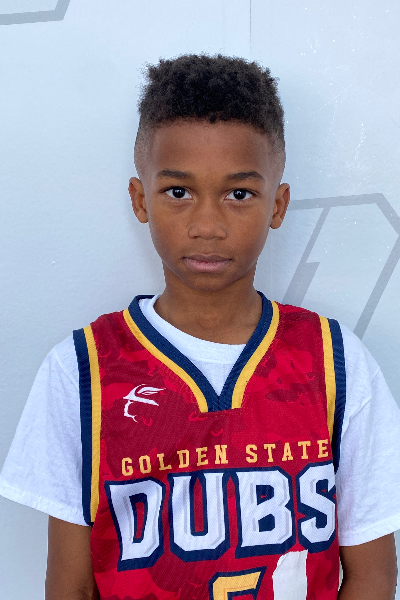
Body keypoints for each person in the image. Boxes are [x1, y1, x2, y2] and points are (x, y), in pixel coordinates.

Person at [1, 53, 400, 600]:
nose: (207, 225)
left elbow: (373, 575)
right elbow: (71, 587)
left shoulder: (336, 362)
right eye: (178, 192)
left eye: (239, 194)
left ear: (277, 204)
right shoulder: (81, 371)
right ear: (140, 199)